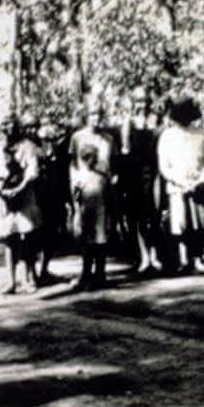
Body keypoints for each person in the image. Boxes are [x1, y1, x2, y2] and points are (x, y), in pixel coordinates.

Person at [0, 115, 47, 294]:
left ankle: (27, 279)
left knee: (27, 238)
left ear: (17, 125)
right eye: (4, 123)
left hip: (25, 196)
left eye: (11, 123)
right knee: (9, 239)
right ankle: (11, 281)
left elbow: (32, 171)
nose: (8, 127)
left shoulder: (27, 146)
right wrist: (1, 189)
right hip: (4, 198)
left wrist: (19, 188)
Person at [157, 97, 204, 273]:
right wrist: (178, 180)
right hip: (177, 185)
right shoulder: (167, 136)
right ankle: (183, 259)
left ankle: (198, 258)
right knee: (179, 223)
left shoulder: (201, 133)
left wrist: (201, 179)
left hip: (197, 185)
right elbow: (164, 164)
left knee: (198, 223)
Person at [68, 100, 118, 289]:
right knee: (85, 234)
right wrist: (74, 187)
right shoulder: (77, 138)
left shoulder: (108, 139)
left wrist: (112, 182)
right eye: (92, 114)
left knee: (101, 233)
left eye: (98, 114)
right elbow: (73, 165)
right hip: (84, 189)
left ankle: (101, 274)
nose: (95, 119)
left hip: (102, 189)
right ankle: (85, 274)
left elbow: (112, 165)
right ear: (86, 117)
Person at [119, 85, 162, 273]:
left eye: (144, 100)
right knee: (138, 217)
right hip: (134, 173)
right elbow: (125, 149)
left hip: (153, 171)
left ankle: (155, 256)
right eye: (138, 101)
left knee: (154, 214)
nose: (141, 104)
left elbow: (161, 144)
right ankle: (144, 256)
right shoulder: (128, 122)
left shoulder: (155, 119)